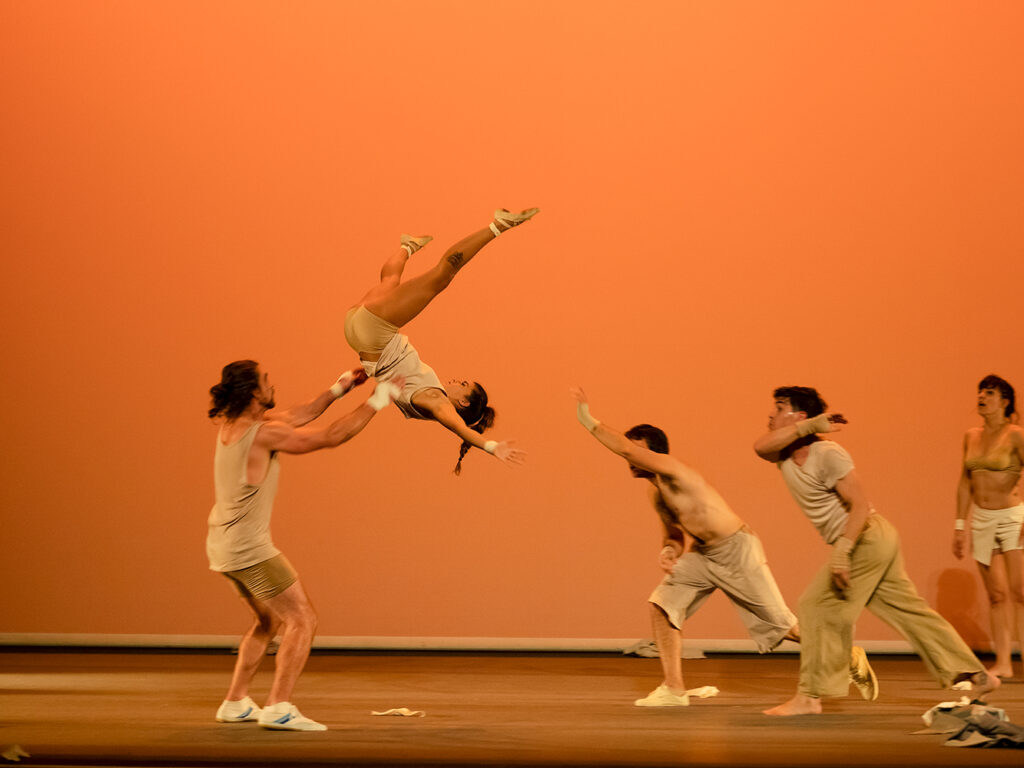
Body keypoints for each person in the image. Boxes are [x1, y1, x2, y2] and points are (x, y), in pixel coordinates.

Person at [570, 387, 877, 708]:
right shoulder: (655, 491)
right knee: (662, 605)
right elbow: (674, 532)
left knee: (782, 626)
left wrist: (586, 419)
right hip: (703, 555)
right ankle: (673, 689)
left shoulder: (674, 469)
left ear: (655, 454)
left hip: (737, 550)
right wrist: (670, 549)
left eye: (638, 450)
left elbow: (625, 449)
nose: (630, 457)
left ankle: (848, 654)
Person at [754, 385, 998, 716]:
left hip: (867, 537)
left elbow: (859, 505)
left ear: (798, 416)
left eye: (779, 407)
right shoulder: (782, 453)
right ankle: (977, 675)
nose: (770, 414)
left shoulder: (830, 454)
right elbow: (759, 447)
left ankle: (810, 697)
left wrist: (842, 551)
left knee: (814, 605)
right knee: (908, 610)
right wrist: (809, 425)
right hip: (868, 541)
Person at [206, 360, 402, 731]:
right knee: (302, 619)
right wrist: (380, 398)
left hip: (222, 546)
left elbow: (302, 413)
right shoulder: (262, 434)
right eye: (265, 380)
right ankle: (278, 706)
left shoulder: (236, 424)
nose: (271, 382)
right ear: (252, 393)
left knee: (268, 620)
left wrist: (342, 386)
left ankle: (235, 702)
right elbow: (329, 437)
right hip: (250, 551)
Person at [344, 208, 537, 474]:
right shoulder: (425, 405)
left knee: (443, 276)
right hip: (360, 334)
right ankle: (407, 246)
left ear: (464, 403)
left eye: (464, 385)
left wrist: (491, 447)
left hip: (376, 332)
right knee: (390, 281)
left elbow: (460, 428)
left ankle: (498, 225)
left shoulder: (438, 402)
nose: (458, 380)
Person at [954, 374, 1024, 679]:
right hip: (982, 519)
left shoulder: (1016, 435)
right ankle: (1004, 662)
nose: (982, 397)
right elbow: (964, 482)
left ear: (1004, 401)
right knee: (996, 594)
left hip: (1012, 517)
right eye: (980, 391)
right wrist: (960, 525)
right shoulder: (971, 436)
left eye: (990, 392)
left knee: (1020, 590)